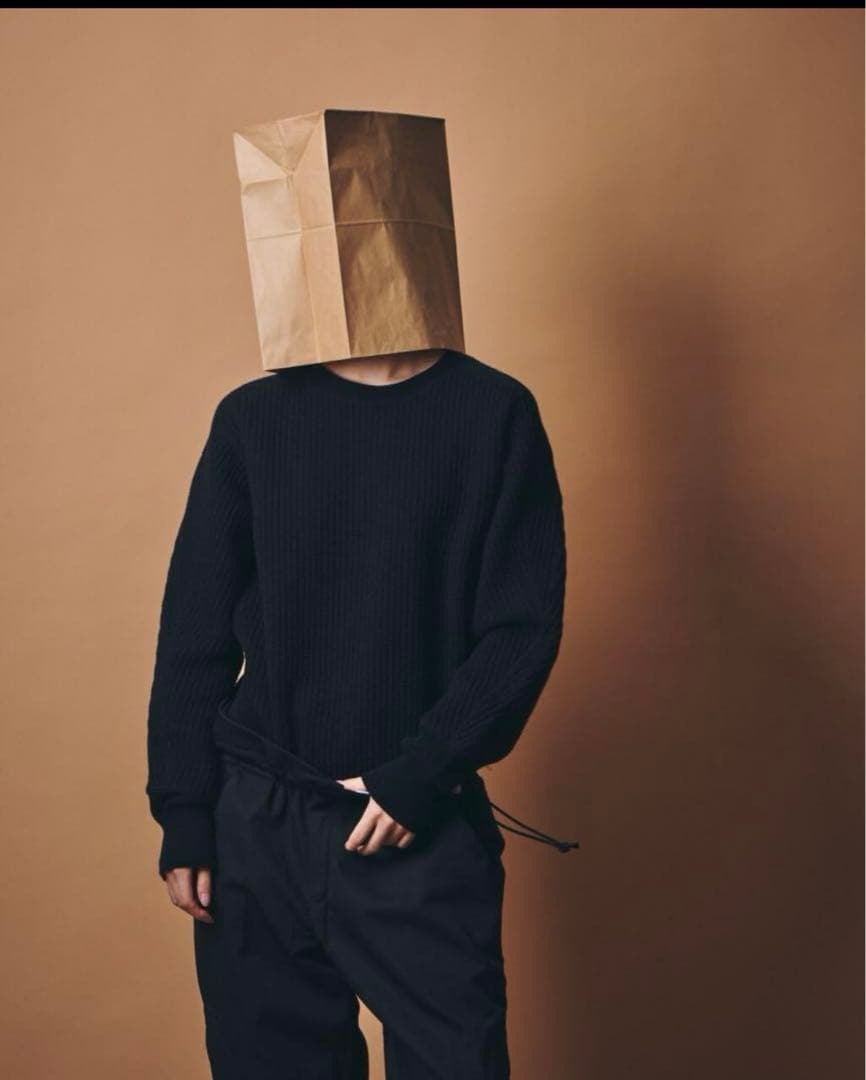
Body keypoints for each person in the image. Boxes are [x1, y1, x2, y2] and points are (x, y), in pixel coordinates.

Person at [145, 344, 568, 1079]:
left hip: (418, 825)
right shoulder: (253, 419)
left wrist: (424, 771)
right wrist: (184, 812)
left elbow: (521, 628)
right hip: (258, 824)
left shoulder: (495, 412)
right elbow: (195, 631)